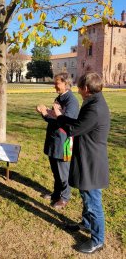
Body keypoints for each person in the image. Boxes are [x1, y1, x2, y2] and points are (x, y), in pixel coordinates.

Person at [53, 72, 110, 254]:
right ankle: (86, 224)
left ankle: (97, 240)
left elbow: (74, 129)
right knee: (87, 197)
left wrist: (59, 116)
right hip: (88, 157)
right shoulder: (94, 102)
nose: (77, 90)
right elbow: (79, 123)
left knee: (93, 202)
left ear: (86, 89)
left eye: (79, 87)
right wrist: (60, 117)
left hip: (92, 161)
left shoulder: (95, 108)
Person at [36, 73, 79, 209]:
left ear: (66, 84)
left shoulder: (71, 101)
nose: (55, 86)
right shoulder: (59, 98)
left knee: (63, 171)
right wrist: (46, 111)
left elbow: (65, 122)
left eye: (57, 83)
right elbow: (55, 116)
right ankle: (56, 193)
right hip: (54, 140)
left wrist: (45, 114)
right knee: (55, 170)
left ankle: (65, 197)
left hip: (65, 142)